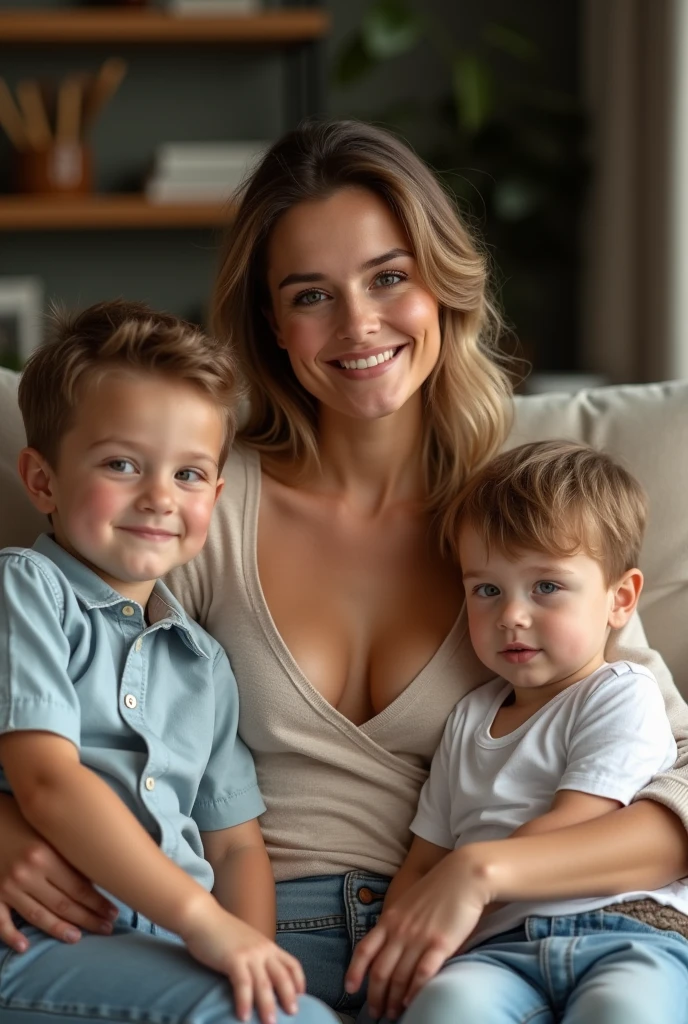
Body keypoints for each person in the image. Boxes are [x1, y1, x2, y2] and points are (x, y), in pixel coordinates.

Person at [0, 120, 687, 1021]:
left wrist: (483, 870)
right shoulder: (201, 497)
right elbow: (70, 684)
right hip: (248, 941)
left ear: (440, 285)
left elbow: (668, 793)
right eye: (311, 293)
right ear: (272, 325)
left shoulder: (528, 512)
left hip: (470, 951)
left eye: (389, 278)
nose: (358, 324)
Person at [0, 300, 336, 1024]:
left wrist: (252, 954)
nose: (158, 497)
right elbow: (48, 782)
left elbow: (237, 843)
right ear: (43, 481)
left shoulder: (202, 660)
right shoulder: (24, 591)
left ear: (215, 495)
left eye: (188, 475)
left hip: (164, 950)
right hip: (43, 937)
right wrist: (205, 926)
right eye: (121, 464)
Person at [346, 440, 688, 1023]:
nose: (511, 615)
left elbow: (576, 823)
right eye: (487, 590)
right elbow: (425, 860)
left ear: (620, 599)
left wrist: (470, 883)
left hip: (625, 928)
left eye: (546, 587)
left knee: (625, 1009)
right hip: (498, 950)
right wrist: (399, 951)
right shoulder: (467, 718)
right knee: (447, 1007)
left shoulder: (620, 692)